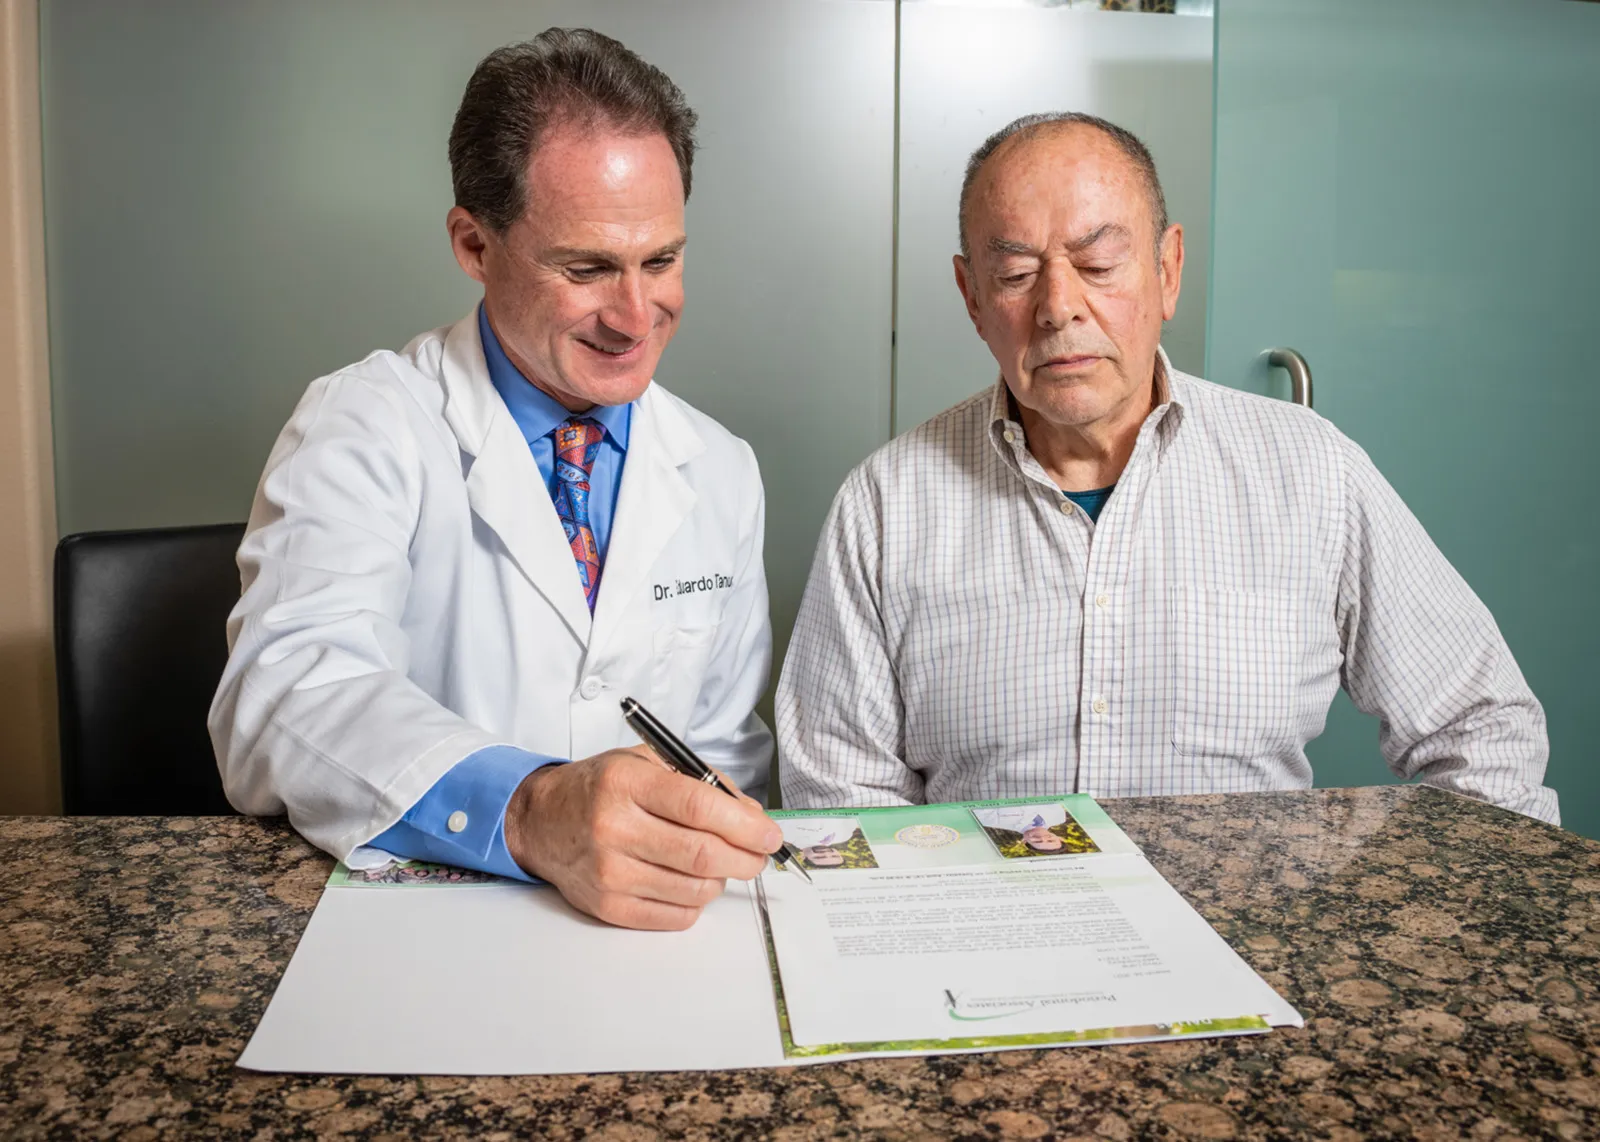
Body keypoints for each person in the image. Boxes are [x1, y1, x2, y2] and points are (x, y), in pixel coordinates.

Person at [776, 112, 1558, 825]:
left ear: (1169, 270)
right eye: (1015, 276)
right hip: (993, 959)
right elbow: (842, 799)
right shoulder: (886, 505)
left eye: (1101, 262)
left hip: (1249, 953)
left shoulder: (1311, 472)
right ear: (972, 297)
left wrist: (1403, 930)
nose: (1058, 306)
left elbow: (1482, 728)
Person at [210, 29, 785, 932]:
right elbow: (283, 699)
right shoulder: (366, 422)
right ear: (474, 244)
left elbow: (722, 750)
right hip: (426, 936)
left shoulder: (720, 467)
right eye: (587, 267)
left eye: (662, 260)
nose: (637, 315)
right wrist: (528, 809)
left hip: (658, 949)